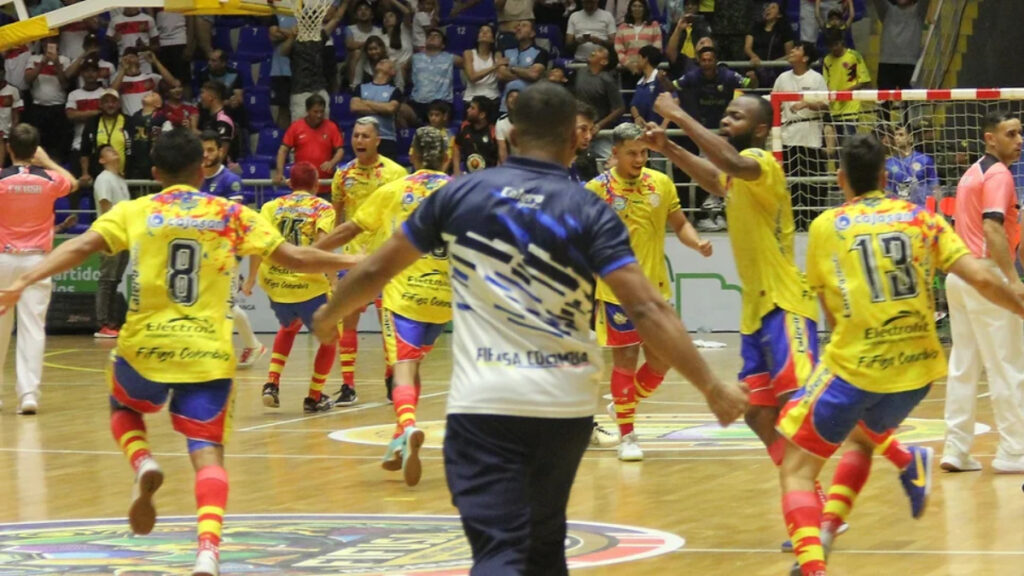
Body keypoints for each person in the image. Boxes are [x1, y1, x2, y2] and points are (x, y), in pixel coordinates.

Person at [309, 80, 748, 574]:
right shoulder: (588, 207)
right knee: (544, 546)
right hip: (564, 408)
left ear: (511, 135)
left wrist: (327, 316)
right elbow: (649, 308)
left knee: (499, 550)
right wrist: (710, 386)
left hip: (486, 402)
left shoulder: (463, 194)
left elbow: (373, 270)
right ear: (574, 139)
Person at [0, 128, 359, 576]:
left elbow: (79, 245)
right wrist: (355, 262)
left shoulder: (136, 210)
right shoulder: (230, 213)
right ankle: (207, 550)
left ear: (153, 173)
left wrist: (23, 281)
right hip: (207, 353)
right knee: (207, 452)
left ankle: (143, 460)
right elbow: (295, 257)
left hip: (144, 347)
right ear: (202, 169)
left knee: (124, 408)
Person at [776, 132, 1024, 576]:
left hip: (858, 366)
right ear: (885, 177)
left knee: (795, 467)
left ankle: (813, 568)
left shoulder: (824, 226)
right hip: (918, 374)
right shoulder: (921, 218)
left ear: (840, 178)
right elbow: (982, 280)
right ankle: (838, 523)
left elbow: (831, 310)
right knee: (860, 438)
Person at [314, 127, 451, 485]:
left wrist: (315, 253)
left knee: (403, 365)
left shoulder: (394, 190)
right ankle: (397, 441)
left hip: (404, 294)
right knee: (415, 362)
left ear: (413, 156)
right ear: (449, 157)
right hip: (446, 299)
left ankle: (406, 425)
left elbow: (349, 229)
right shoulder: (462, 193)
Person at [586, 123, 712, 461]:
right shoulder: (597, 189)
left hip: (656, 291)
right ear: (614, 153)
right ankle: (628, 435)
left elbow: (680, 223)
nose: (640, 158)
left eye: (644, 152)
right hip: (617, 294)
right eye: (632, 153)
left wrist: (696, 241)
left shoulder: (662, 183)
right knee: (625, 360)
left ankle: (622, 406)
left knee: (663, 360)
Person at [942, 110, 1024, 474]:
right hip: (986, 274)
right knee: (1006, 364)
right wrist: (1013, 281)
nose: (1019, 140)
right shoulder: (999, 175)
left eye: (1020, 133)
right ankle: (1015, 450)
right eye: (1011, 134)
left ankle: (956, 449)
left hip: (959, 275)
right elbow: (993, 229)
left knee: (964, 365)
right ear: (990, 138)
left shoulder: (971, 173)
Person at [242, 162, 339, 413]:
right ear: (317, 185)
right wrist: (334, 281)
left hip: (275, 284)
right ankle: (314, 396)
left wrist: (251, 279)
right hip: (308, 284)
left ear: (289, 183)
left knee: (289, 325)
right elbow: (322, 247)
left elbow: (259, 245)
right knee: (330, 340)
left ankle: (272, 383)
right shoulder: (323, 208)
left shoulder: (270, 207)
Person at [330, 117, 408, 403]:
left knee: (388, 324)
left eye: (365, 136)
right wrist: (331, 257)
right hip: (352, 261)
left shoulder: (396, 173)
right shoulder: (343, 174)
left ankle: (391, 377)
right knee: (346, 323)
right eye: (356, 135)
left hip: (385, 261)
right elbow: (335, 218)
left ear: (378, 140)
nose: (359, 141)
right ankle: (348, 386)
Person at [0, 124, 77, 415]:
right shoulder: (49, 179)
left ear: (9, 149)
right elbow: (74, 182)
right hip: (37, 261)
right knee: (33, 327)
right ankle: (28, 394)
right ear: (35, 150)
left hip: (3, 259)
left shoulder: (2, 180)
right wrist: (46, 162)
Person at [198, 130, 265, 369]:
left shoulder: (230, 181)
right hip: (202, 253)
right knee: (214, 304)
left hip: (225, 254)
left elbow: (232, 221)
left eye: (210, 150)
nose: (205, 155)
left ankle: (245, 346)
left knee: (224, 305)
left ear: (221, 151)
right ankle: (250, 345)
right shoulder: (195, 178)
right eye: (202, 150)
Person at [772, 41, 829, 228]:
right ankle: (794, 221)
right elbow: (774, 105)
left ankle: (814, 220)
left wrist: (806, 103)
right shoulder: (782, 78)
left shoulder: (816, 78)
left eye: (797, 49)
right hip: (788, 134)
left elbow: (825, 104)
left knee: (812, 181)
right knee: (791, 181)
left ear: (805, 57)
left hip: (810, 133)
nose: (792, 51)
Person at [91, 145, 130, 339]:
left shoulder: (120, 179)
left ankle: (112, 322)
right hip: (111, 236)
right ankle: (103, 323)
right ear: (101, 160)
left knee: (115, 280)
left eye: (116, 150)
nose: (114, 152)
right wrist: (112, 233)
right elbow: (106, 206)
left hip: (123, 236)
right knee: (107, 280)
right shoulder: (104, 178)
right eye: (109, 151)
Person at [276, 93, 345, 192]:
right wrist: (279, 173)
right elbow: (283, 150)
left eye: (322, 112)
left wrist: (332, 163)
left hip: (325, 186)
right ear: (307, 111)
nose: (319, 115)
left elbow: (340, 150)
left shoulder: (331, 127)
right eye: (315, 112)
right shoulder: (296, 127)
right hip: (302, 187)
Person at [571, 46, 625, 159]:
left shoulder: (607, 80)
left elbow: (620, 108)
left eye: (599, 51)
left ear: (604, 61)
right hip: (580, 130)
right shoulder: (580, 72)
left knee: (613, 162)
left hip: (600, 134)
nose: (593, 52)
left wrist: (599, 125)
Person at [24, 37, 72, 163]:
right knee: (37, 144)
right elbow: (28, 79)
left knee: (57, 145)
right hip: (38, 108)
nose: (48, 45)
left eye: (52, 42)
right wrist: (43, 62)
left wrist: (56, 63)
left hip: (58, 108)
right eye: (45, 42)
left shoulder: (64, 60)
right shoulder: (33, 59)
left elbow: (65, 84)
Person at [822, 28, 870, 142]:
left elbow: (864, 80)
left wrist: (846, 92)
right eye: (831, 46)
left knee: (849, 142)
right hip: (834, 108)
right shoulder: (827, 60)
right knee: (837, 146)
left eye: (836, 44)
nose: (834, 48)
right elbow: (826, 82)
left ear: (842, 42)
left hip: (851, 107)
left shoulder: (854, 56)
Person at [871, 0, 930, 90]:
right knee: (885, 101)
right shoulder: (887, 10)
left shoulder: (918, 11)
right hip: (887, 63)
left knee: (910, 102)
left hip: (909, 64)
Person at [351, 59, 402, 159]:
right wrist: (382, 109)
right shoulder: (361, 87)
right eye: (380, 61)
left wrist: (366, 102)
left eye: (386, 61)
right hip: (364, 137)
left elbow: (391, 109)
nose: (382, 61)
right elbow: (355, 106)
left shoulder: (395, 91)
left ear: (393, 71)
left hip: (386, 138)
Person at [497, 20, 548, 115]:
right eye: (518, 26)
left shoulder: (540, 52)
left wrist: (513, 69)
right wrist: (526, 73)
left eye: (524, 26)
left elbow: (534, 75)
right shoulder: (507, 51)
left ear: (532, 33)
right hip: (506, 107)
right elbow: (500, 75)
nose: (519, 28)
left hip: (529, 105)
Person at [409, 28, 459, 124]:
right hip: (417, 102)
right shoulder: (415, 58)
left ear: (443, 45)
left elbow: (468, 65)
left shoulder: (450, 58)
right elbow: (402, 68)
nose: (432, 37)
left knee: (438, 116)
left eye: (436, 36)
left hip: (441, 102)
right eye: (430, 36)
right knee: (400, 110)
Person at [79, 88, 130, 183]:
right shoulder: (92, 123)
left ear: (119, 104)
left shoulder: (129, 122)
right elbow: (85, 151)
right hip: (99, 178)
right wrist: (85, 173)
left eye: (114, 101)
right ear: (100, 105)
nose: (110, 105)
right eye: (106, 102)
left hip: (125, 177)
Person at [885, 123, 939, 207]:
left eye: (901, 135)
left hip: (921, 210)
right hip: (899, 212)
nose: (897, 138)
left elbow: (935, 188)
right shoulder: (889, 163)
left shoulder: (925, 160)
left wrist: (939, 213)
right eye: (895, 135)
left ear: (910, 138)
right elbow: (887, 191)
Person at [614, 0, 662, 89]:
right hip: (628, 71)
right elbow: (619, 50)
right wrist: (629, 65)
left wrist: (645, 65)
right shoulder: (622, 27)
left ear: (645, 9)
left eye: (640, 6)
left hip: (648, 71)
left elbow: (657, 47)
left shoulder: (654, 25)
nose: (637, 9)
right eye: (634, 6)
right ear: (630, 9)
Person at [744, 1, 794, 87]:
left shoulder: (785, 30)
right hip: (756, 67)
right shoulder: (756, 27)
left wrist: (773, 63)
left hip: (775, 70)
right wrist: (754, 56)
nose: (768, 9)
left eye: (773, 7)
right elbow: (747, 48)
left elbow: (789, 54)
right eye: (767, 7)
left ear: (779, 15)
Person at [463, 23, 504, 110]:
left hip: (492, 98)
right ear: (477, 37)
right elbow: (472, 77)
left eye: (488, 31)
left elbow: (501, 75)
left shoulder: (497, 54)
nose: (484, 33)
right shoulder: (468, 53)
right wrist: (494, 67)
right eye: (481, 31)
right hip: (471, 98)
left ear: (493, 39)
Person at [454, 96, 498, 175]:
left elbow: (500, 158)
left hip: (488, 176)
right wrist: (456, 170)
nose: (468, 110)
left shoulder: (493, 132)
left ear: (482, 114)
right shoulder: (464, 127)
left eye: (472, 108)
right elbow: (456, 147)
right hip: (467, 175)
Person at [125, 90, 163, 180]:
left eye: (152, 95)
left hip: (151, 160)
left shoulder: (160, 118)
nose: (149, 95)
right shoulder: (135, 116)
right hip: (135, 159)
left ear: (158, 104)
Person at [198, 81, 239, 163]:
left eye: (202, 93)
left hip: (222, 170)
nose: (200, 97)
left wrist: (213, 170)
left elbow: (223, 152)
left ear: (211, 97)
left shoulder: (223, 120)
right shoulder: (210, 118)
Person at [0, 66, 24, 167]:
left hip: (7, 134)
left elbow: (16, 115)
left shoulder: (13, 90)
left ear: (3, 72)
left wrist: (13, 133)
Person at [570, 101, 599, 182]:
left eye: (591, 130)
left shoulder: (589, 159)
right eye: (583, 129)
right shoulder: (546, 166)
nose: (588, 137)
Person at [496, 87, 519, 164]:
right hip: (511, 162)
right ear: (505, 102)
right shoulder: (501, 122)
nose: (514, 99)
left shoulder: (529, 121)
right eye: (511, 97)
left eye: (517, 97)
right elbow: (502, 150)